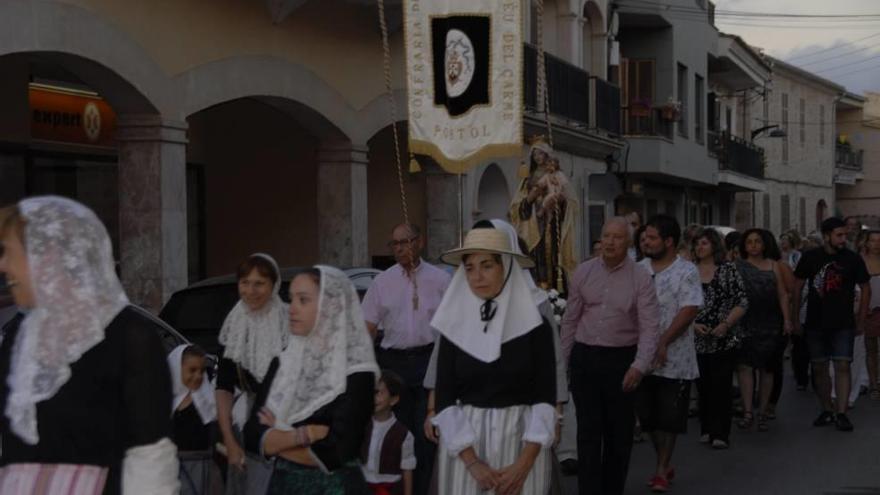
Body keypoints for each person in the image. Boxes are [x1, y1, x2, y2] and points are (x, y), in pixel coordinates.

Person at [0, 196, 178, 494]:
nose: (3, 266)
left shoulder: (129, 337)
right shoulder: (18, 337)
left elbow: (150, 457)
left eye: (9, 253)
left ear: (48, 255)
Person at [431, 228, 557, 494]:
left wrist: (523, 465)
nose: (477, 277)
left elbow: (545, 398)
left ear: (507, 268)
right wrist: (473, 462)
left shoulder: (536, 327)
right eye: (470, 268)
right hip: (466, 447)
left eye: (486, 266)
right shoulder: (454, 326)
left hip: (522, 443)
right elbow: (444, 398)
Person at [244, 266, 379, 493]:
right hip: (283, 485)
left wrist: (276, 442)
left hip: (334, 487)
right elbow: (251, 436)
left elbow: (337, 451)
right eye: (291, 299)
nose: (292, 308)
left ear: (331, 307)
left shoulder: (357, 372)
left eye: (303, 300)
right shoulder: (283, 363)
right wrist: (305, 435)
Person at [562, 217, 660, 495]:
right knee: (588, 433)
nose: (609, 242)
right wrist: (563, 362)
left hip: (621, 361)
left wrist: (639, 366)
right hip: (585, 357)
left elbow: (650, 326)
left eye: (617, 237)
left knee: (618, 435)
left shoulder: (640, 277)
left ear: (628, 243)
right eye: (606, 236)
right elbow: (570, 319)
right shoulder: (583, 271)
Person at [362, 223, 450, 495]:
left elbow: (451, 327)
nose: (399, 248)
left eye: (405, 242)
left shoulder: (440, 279)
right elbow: (367, 329)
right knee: (396, 433)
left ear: (419, 242)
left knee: (426, 435)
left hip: (428, 361)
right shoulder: (382, 281)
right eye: (394, 244)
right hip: (394, 364)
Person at [636, 215, 703, 492]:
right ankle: (662, 459)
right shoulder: (637, 269)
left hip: (675, 358)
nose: (645, 243)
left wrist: (663, 341)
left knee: (669, 417)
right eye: (643, 238)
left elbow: (689, 309)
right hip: (641, 357)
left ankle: (662, 468)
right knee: (648, 417)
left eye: (651, 238)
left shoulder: (685, 271)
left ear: (669, 241)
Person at [215, 253, 289, 491]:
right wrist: (229, 440)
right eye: (245, 283)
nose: (251, 290)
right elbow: (223, 385)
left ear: (274, 284)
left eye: (259, 283)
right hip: (245, 423)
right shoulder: (233, 326)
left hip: (287, 423)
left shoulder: (291, 322)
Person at [793, 218, 872, 432]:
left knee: (842, 365)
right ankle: (826, 408)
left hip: (843, 322)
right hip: (815, 322)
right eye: (839, 235)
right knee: (819, 367)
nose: (843, 239)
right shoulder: (810, 257)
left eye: (845, 235)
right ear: (826, 235)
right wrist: (794, 319)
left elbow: (865, 288)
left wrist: (861, 318)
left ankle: (842, 412)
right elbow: (797, 287)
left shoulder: (852, 259)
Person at [692, 228, 748, 450]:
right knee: (703, 385)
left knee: (721, 384)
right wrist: (693, 325)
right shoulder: (689, 271)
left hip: (724, 336)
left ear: (714, 246)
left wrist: (726, 324)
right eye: (697, 244)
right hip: (697, 337)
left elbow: (742, 301)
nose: (699, 247)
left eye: (704, 243)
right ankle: (706, 427)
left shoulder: (728, 270)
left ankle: (721, 432)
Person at [735, 229, 793, 432]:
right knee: (745, 366)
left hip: (770, 321)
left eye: (757, 241)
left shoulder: (774, 266)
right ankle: (748, 410)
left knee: (767, 368)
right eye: (749, 241)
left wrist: (787, 320)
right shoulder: (737, 267)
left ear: (764, 244)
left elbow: (783, 294)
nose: (753, 245)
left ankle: (763, 411)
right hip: (745, 320)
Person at [509, 137, 578, 292]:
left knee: (552, 255)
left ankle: (553, 290)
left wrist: (559, 201)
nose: (538, 158)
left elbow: (569, 200)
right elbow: (517, 207)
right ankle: (538, 286)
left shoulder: (555, 175)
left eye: (541, 154)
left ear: (547, 156)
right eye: (535, 156)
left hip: (551, 223)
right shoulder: (528, 179)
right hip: (533, 224)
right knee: (535, 254)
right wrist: (531, 198)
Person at [169, 344, 220, 495]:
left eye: (202, 371)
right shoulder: (163, 399)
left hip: (200, 470)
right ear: (177, 369)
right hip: (168, 470)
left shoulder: (208, 400)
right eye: (192, 370)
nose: (198, 376)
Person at [361, 370, 415, 495]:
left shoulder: (403, 434)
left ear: (393, 399)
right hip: (362, 486)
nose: (374, 398)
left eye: (379, 393)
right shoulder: (361, 426)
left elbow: (407, 469)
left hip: (389, 489)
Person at [863, 231, 880, 399]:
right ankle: (874, 384)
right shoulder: (860, 262)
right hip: (868, 311)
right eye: (873, 241)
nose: (876, 244)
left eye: (879, 241)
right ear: (866, 243)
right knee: (871, 349)